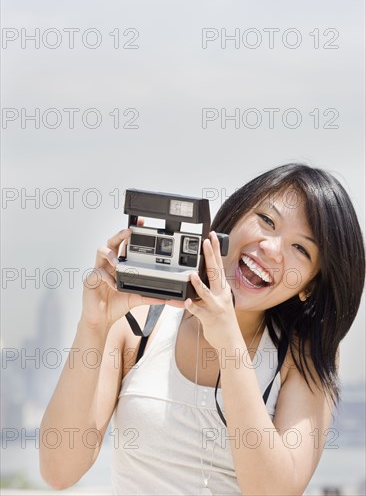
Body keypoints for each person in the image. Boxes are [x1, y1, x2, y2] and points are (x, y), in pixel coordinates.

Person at [39, 163, 365, 495]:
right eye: (267, 221)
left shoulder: (302, 354)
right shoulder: (141, 323)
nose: (271, 248)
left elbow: (274, 491)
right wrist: (92, 326)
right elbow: (59, 470)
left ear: (308, 286)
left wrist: (229, 344)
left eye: (301, 249)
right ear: (235, 217)